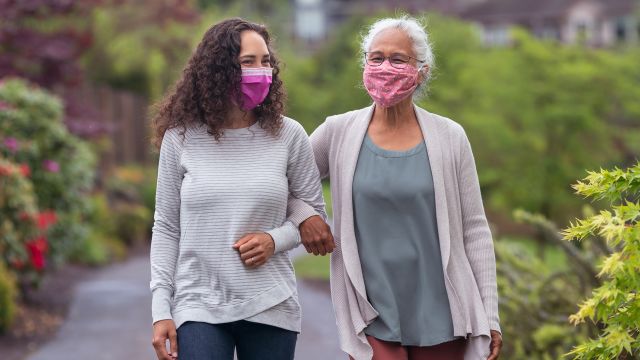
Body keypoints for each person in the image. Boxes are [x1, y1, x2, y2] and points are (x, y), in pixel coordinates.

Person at [290, 16, 503, 360]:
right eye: (376, 58)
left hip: (442, 309)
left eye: (398, 59)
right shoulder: (337, 132)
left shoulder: (450, 137)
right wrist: (306, 217)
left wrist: (489, 315)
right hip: (370, 308)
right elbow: (287, 183)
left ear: (422, 71)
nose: (385, 67)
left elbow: (475, 230)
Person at [149, 18, 326, 360]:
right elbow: (167, 226)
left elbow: (313, 214)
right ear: (218, 69)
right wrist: (161, 309)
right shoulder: (181, 137)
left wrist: (275, 240)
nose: (261, 71)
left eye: (266, 62)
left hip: (270, 302)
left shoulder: (289, 135)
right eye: (248, 62)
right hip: (197, 303)